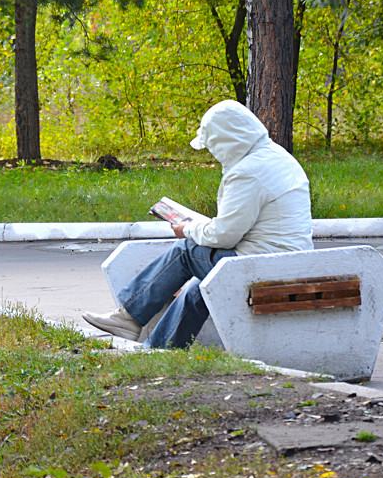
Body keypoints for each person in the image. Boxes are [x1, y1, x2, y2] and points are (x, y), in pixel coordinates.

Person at [83, 99, 313, 349]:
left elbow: (225, 236)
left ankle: (128, 317)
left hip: (264, 265)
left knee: (185, 252)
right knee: (199, 285)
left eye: (213, 144)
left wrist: (187, 229)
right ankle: (160, 350)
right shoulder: (278, 157)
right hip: (288, 262)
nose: (213, 153)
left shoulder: (247, 172)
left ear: (227, 139)